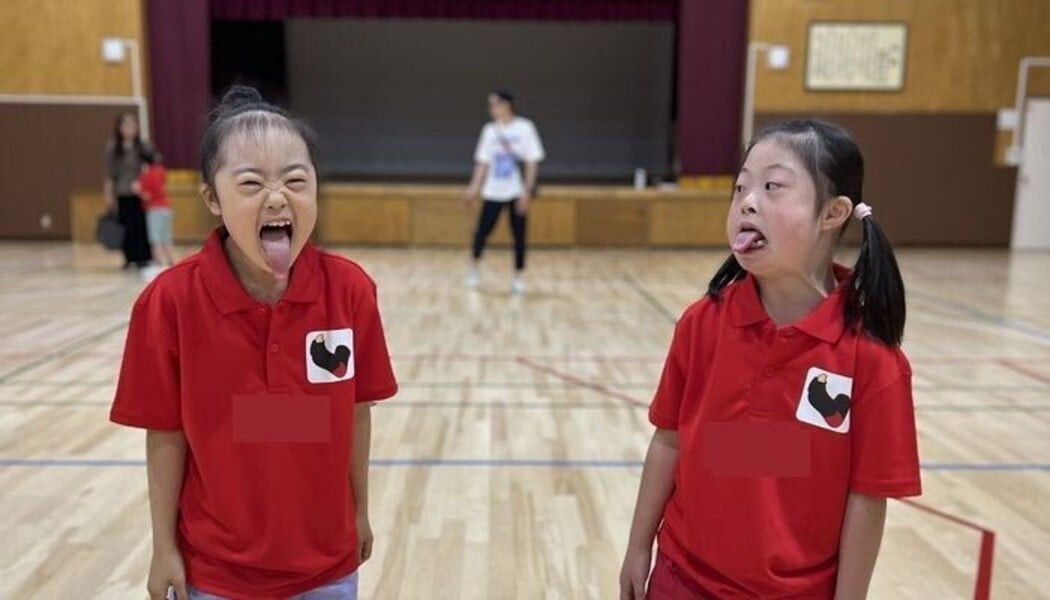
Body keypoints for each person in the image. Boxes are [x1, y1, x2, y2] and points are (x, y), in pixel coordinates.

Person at [110, 85, 398, 600]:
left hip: (328, 569)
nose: (277, 196)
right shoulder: (169, 303)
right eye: (251, 183)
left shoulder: (351, 291)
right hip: (214, 573)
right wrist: (163, 547)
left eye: (296, 180)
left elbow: (356, 413)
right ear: (212, 199)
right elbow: (166, 434)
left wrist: (360, 511)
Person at [620, 120, 921, 599]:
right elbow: (670, 441)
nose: (747, 201)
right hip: (681, 579)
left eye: (772, 186)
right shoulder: (701, 323)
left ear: (833, 212)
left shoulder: (872, 360)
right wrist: (638, 547)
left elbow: (866, 499)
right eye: (740, 187)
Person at [462, 89, 545, 294]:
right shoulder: (489, 130)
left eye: (494, 104)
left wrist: (527, 191)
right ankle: (474, 267)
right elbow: (482, 163)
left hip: (516, 190)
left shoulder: (525, 128)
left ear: (506, 105)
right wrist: (473, 188)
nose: (491, 108)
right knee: (482, 231)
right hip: (492, 191)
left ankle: (518, 277)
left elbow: (532, 161)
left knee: (519, 235)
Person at [105, 111, 153, 268]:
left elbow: (154, 165)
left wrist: (144, 182)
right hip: (123, 193)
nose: (130, 128)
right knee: (126, 226)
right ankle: (128, 257)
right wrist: (108, 195)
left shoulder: (143, 147)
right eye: (126, 125)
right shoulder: (113, 147)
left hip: (140, 194)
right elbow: (110, 174)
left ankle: (143, 257)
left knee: (140, 226)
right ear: (120, 128)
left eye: (133, 124)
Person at [136, 151, 176, 276]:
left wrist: (138, 190)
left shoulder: (145, 175)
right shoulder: (161, 170)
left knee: (156, 239)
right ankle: (171, 263)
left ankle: (159, 265)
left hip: (154, 209)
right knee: (167, 237)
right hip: (166, 207)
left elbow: (146, 195)